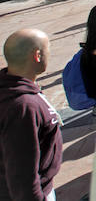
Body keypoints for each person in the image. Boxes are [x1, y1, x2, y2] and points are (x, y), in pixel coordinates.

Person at [0, 29, 62, 201]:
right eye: (48, 48)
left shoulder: (12, 88)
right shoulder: (23, 107)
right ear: (37, 55)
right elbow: (22, 175)